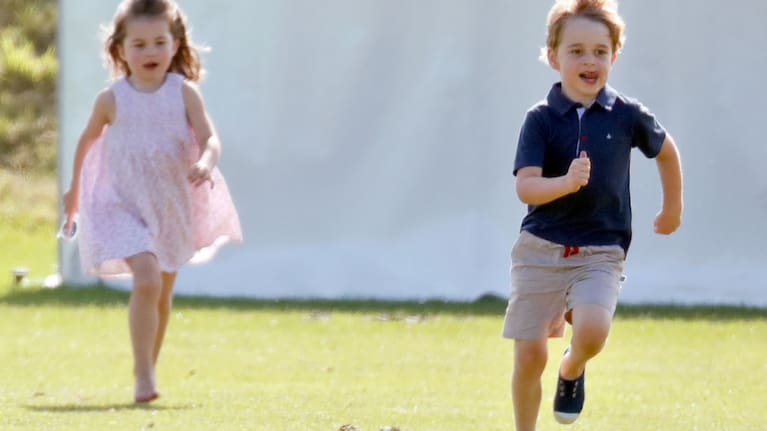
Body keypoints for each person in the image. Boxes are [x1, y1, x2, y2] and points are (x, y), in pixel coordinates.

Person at [502, 0, 683, 429]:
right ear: (553, 57)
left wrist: (672, 208)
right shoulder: (540, 120)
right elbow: (525, 186)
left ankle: (573, 367)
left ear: (614, 57)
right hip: (540, 249)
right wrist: (564, 183)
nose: (589, 60)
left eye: (600, 51)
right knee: (529, 355)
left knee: (593, 331)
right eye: (577, 50)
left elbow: (667, 152)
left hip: (601, 249)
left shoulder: (627, 115)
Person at [62, 0, 242, 403]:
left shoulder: (184, 93)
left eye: (159, 42)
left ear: (175, 44)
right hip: (121, 204)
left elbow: (209, 137)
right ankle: (143, 376)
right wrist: (74, 191)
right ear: (120, 50)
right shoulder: (112, 98)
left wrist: (206, 160)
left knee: (160, 293)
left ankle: (148, 370)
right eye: (139, 44)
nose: (150, 53)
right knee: (146, 277)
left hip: (170, 206)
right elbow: (87, 140)